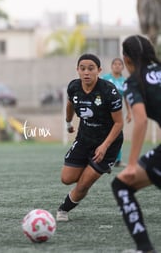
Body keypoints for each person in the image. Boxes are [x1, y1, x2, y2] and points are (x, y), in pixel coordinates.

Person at [56, 53, 124, 222]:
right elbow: (70, 104)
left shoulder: (109, 91)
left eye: (91, 69)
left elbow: (119, 123)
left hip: (108, 143)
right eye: (82, 68)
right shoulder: (73, 87)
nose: (86, 72)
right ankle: (91, 168)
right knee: (66, 179)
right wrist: (68, 122)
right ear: (77, 70)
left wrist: (104, 146)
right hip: (85, 138)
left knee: (84, 183)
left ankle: (63, 209)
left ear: (99, 70)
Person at [111, 35, 161, 253]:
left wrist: (131, 164)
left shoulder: (134, 81)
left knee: (121, 184)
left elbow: (139, 119)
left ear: (126, 59)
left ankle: (144, 248)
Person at [102, 57, 132, 167]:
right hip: (104, 112)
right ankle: (100, 156)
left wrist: (129, 112)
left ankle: (117, 160)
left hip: (118, 112)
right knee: (102, 134)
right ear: (111, 66)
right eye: (115, 64)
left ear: (123, 67)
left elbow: (127, 98)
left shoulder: (125, 81)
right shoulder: (105, 78)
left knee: (117, 135)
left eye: (120, 64)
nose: (117, 66)